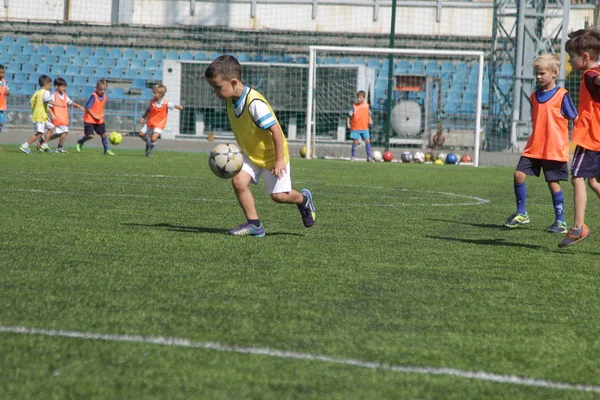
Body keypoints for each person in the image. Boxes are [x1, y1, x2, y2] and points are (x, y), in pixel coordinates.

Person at [204, 55, 316, 237]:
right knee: (238, 182)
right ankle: (254, 225)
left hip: (273, 156)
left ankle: (303, 199)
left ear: (233, 83)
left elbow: (277, 132)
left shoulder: (254, 103)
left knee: (279, 197)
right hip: (252, 154)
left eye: (217, 88)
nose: (215, 92)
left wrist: (279, 160)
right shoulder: (231, 101)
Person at [503, 54, 578, 233]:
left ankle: (560, 222)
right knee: (518, 174)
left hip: (554, 148)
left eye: (542, 73)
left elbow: (575, 118)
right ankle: (522, 213)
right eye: (536, 73)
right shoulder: (534, 96)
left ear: (554, 73)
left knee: (553, 183)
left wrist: (581, 139)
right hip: (534, 146)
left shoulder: (562, 95)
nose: (538, 77)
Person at [558, 29, 600, 247]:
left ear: (584, 57)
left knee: (577, 177)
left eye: (571, 57)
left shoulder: (590, 74)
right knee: (593, 181)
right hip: (596, 138)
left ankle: (578, 227)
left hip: (590, 138)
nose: (569, 61)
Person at [38, 77, 85, 153]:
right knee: (65, 132)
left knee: (60, 133)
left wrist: (79, 106)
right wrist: (52, 115)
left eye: (65, 87)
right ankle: (58, 148)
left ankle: (44, 140)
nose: (64, 88)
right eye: (62, 86)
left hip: (63, 117)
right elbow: (49, 107)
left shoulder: (64, 95)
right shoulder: (53, 95)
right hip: (57, 117)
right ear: (56, 87)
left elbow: (70, 102)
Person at [138, 84, 183, 157]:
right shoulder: (152, 102)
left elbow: (173, 105)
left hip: (159, 124)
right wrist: (143, 117)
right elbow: (148, 109)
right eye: (153, 92)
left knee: (154, 138)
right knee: (141, 134)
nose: (153, 94)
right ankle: (148, 142)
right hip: (150, 122)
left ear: (161, 95)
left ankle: (148, 152)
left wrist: (180, 107)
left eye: (155, 93)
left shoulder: (166, 103)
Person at [75, 79, 114, 155]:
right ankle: (81, 142)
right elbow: (88, 107)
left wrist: (102, 114)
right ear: (96, 88)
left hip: (99, 120)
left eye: (104, 90)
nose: (102, 91)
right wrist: (94, 115)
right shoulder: (94, 96)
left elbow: (100, 107)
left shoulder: (105, 97)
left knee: (104, 134)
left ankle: (107, 150)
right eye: (101, 90)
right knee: (90, 135)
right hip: (89, 119)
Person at [19, 75, 55, 155]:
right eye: (50, 84)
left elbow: (31, 102)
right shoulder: (46, 92)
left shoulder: (37, 92)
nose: (50, 86)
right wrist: (55, 103)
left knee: (51, 127)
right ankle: (25, 146)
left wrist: (38, 108)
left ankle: (45, 145)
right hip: (40, 116)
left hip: (41, 115)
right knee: (39, 133)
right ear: (46, 84)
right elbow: (48, 101)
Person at [346, 90, 373, 162]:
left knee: (367, 141)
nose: (358, 99)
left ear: (364, 98)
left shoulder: (367, 106)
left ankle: (369, 157)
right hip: (355, 127)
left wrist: (370, 120)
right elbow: (349, 116)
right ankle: (353, 157)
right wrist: (348, 123)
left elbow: (368, 114)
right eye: (358, 98)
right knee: (355, 142)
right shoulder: (354, 106)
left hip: (364, 127)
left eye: (360, 98)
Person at [0, 64, 11, 151]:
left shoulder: (3, 81)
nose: (2, 74)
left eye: (3, 72)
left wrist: (7, 92)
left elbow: (7, 90)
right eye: (0, 73)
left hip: (2, 107)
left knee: (0, 125)